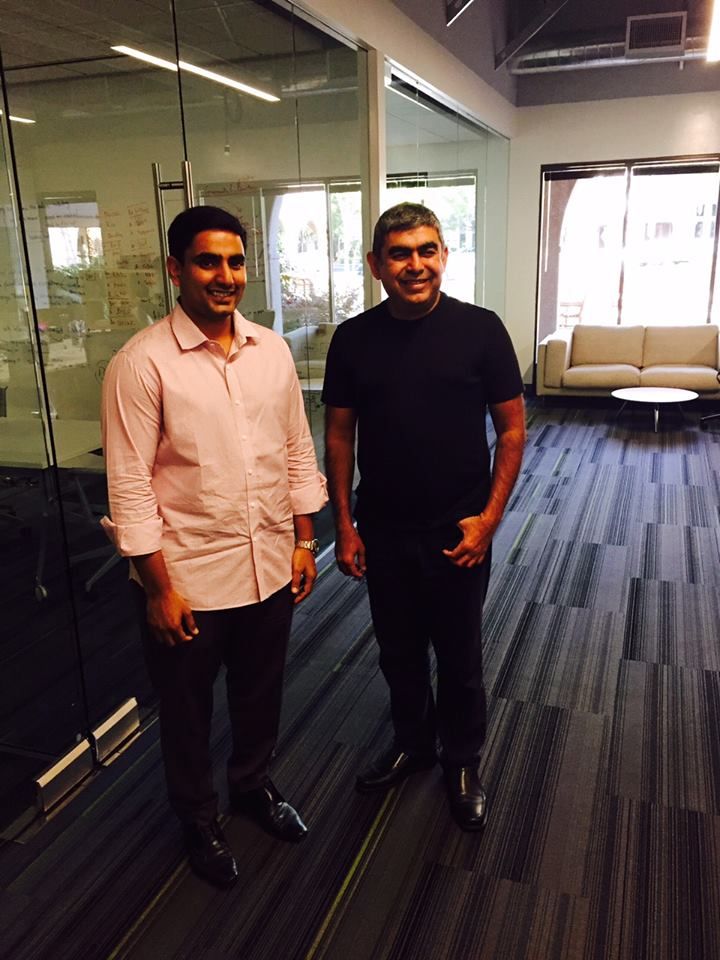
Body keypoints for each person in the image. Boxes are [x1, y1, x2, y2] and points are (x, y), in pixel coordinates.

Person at [101, 206, 327, 887]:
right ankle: (198, 817)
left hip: (268, 566)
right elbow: (130, 488)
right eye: (207, 261)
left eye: (235, 262)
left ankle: (252, 784)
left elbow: (296, 448)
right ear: (176, 269)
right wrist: (158, 590)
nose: (225, 276)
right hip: (189, 581)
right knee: (187, 713)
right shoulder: (141, 364)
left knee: (260, 695)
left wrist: (305, 540)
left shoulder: (272, 351)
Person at [322, 202, 525, 831]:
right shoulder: (353, 339)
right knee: (398, 651)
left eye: (426, 250)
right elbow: (339, 437)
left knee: (459, 656)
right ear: (376, 264)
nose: (415, 265)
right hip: (383, 529)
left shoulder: (481, 330)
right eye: (400, 253)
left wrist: (489, 520)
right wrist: (344, 525)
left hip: (458, 530)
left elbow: (512, 430)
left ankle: (462, 760)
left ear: (444, 255)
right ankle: (414, 744)